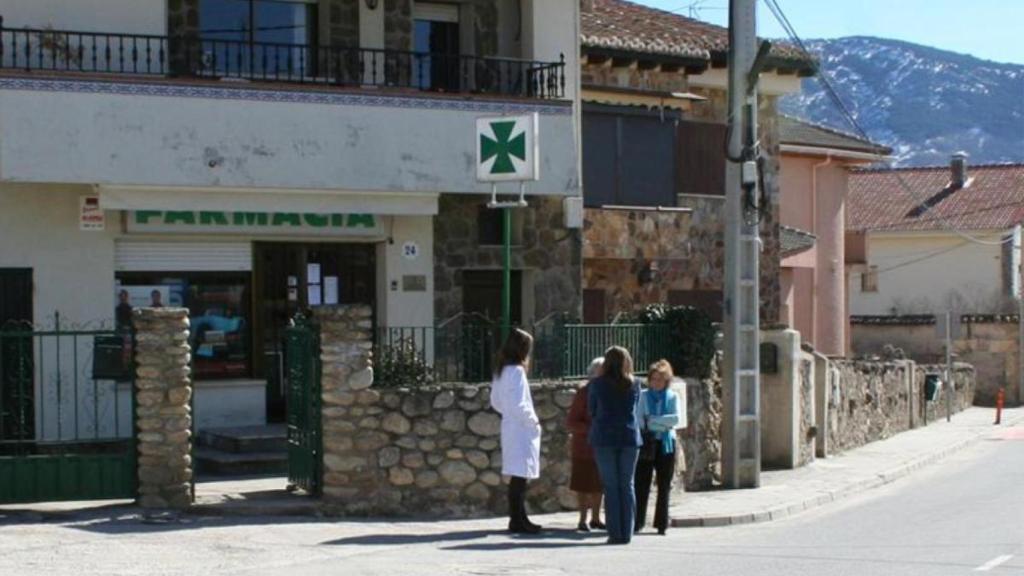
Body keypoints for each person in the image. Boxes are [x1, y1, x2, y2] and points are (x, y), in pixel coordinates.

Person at [489, 328, 543, 534]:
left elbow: (496, 401)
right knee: (520, 476)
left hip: (510, 425)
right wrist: (533, 421)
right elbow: (520, 404)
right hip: (520, 427)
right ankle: (518, 519)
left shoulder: (501, 370)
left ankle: (518, 517)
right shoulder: (517, 372)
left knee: (516, 475)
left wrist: (509, 414)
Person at [588, 346, 641, 545]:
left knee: (610, 486)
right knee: (627, 485)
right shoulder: (635, 384)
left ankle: (614, 532)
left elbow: (592, 410)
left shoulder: (597, 384)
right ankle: (626, 532)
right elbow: (635, 410)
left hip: (604, 438)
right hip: (629, 437)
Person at [635, 359, 685, 535]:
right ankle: (638, 521)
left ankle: (661, 523)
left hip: (666, 444)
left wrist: (654, 420)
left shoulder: (672, 397)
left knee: (664, 485)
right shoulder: (643, 396)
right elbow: (640, 420)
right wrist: (661, 422)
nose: (656, 382)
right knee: (642, 484)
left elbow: (675, 419)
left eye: (660, 379)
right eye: (653, 378)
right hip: (647, 443)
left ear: (666, 381)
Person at [566, 358, 605, 532]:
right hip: (584, 446)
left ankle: (596, 518)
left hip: (601, 446)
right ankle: (582, 519)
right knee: (582, 485)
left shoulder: (608, 391)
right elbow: (572, 422)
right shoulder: (584, 393)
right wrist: (592, 428)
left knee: (599, 484)